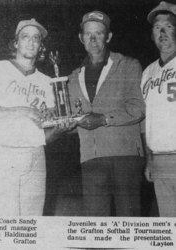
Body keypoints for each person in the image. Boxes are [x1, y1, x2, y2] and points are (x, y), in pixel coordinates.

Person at [0, 18, 74, 216]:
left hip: (36, 155)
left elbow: (44, 136)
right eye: (25, 37)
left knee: (33, 226)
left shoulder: (48, 82)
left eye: (36, 38)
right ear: (15, 42)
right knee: (8, 225)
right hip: (3, 154)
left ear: (41, 46)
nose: (31, 42)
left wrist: (59, 129)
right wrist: (25, 110)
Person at [67, 11, 145, 216]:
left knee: (129, 224)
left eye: (99, 34)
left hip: (125, 157)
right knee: (95, 225)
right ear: (80, 38)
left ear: (108, 37)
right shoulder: (73, 77)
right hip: (91, 159)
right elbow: (73, 118)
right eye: (88, 34)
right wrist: (64, 125)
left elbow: (137, 108)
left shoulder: (128, 65)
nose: (93, 39)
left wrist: (103, 119)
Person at [141, 1, 176, 217]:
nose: (162, 32)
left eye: (168, 26)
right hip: (159, 160)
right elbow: (146, 121)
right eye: (156, 28)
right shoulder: (148, 73)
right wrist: (149, 159)